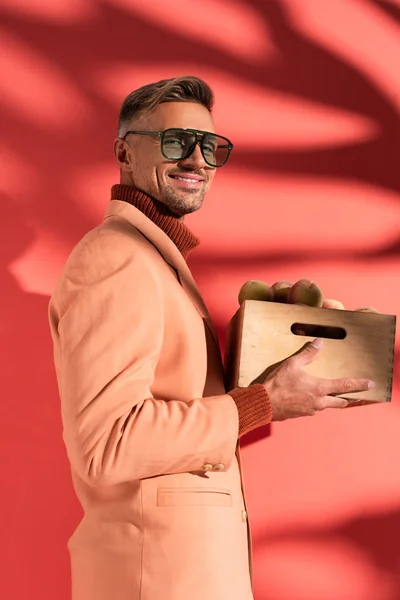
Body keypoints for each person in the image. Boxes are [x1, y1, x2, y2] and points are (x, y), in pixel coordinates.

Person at [48, 75, 374, 600]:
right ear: (123, 152)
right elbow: (107, 444)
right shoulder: (115, 258)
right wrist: (259, 403)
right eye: (176, 142)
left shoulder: (158, 263)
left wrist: (270, 376)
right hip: (154, 582)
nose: (198, 160)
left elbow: (184, 424)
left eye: (211, 146)